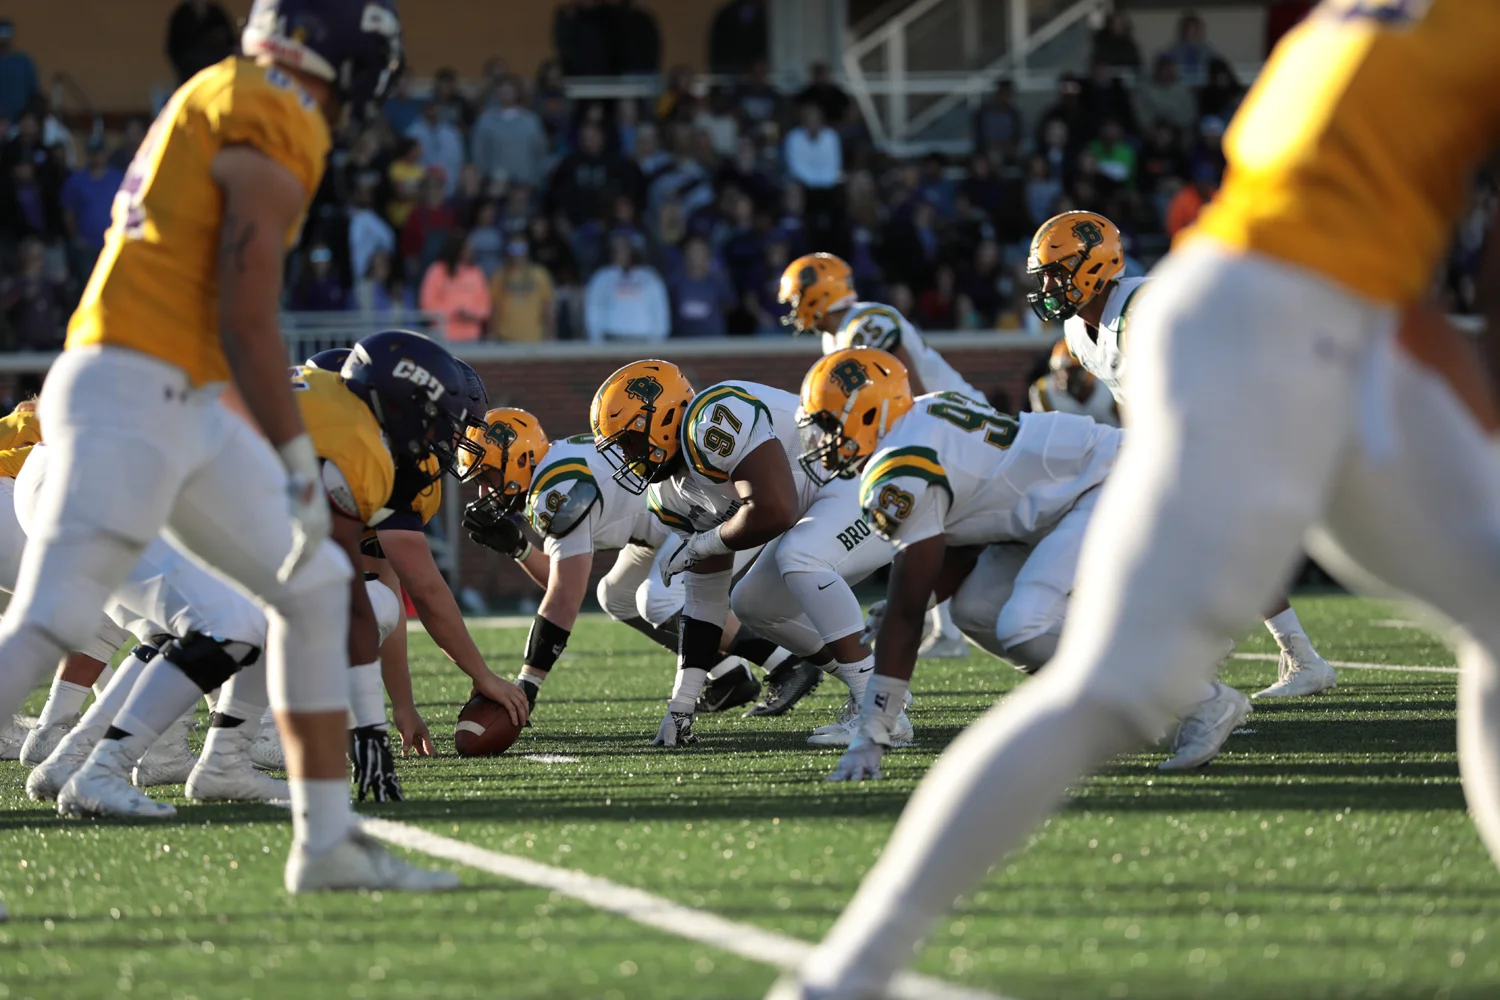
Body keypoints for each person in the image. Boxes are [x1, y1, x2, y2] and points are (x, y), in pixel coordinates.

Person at [771, 5, 1500, 992]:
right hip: (1280, 319)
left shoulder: (1347, 30)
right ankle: (846, 971)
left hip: (1304, 316)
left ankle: (845, 970)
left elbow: (1376, 261)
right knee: (1100, 681)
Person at [0, 0, 460, 899]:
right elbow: (246, 312)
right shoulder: (272, 106)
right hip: (135, 383)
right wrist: (294, 464)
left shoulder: (229, 89)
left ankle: (326, 842)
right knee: (55, 614)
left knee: (313, 583)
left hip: (181, 390)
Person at [1028, 209, 1335, 695]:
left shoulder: (1143, 308)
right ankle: (1295, 657)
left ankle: (1204, 646)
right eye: (1044, 275)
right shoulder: (1077, 332)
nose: (1048, 286)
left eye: (1056, 272)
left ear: (1093, 265)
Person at [590, 360, 903, 747]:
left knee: (798, 557)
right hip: (824, 506)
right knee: (752, 602)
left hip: (867, 483)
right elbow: (705, 603)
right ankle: (876, 687)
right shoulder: (670, 491)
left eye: (628, 439)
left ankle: (880, 710)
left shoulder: (711, 419)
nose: (626, 455)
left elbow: (776, 509)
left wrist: (703, 543)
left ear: (662, 416)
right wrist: (681, 705)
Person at [461, 410, 810, 716]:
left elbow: (564, 599)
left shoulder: (559, 489)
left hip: (699, 512)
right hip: (662, 524)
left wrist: (528, 683)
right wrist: (520, 548)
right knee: (617, 595)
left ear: (519, 459)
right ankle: (728, 675)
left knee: (658, 598)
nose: (482, 491)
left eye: (485, 476)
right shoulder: (553, 470)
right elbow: (563, 585)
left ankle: (785, 663)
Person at [780, 252, 977, 658]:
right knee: (934, 520)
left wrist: (918, 436)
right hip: (936, 425)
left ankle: (954, 628)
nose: (794, 309)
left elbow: (906, 389)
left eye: (798, 298)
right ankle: (947, 630)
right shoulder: (835, 336)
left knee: (945, 520)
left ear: (818, 293)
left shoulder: (867, 323)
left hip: (951, 423)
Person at [783, 102, 844, 259]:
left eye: (815, 117)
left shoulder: (831, 137)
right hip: (805, 187)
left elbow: (834, 166)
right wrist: (815, 183)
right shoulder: (793, 138)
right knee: (795, 192)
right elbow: (796, 167)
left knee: (840, 196)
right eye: (808, 118)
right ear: (803, 120)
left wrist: (822, 183)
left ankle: (838, 247)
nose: (812, 121)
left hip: (829, 187)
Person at [583, 234, 669, 343]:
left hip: (644, 340)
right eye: (618, 250)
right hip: (611, 339)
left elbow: (659, 310)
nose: (622, 254)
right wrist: (596, 339)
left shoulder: (650, 277)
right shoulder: (602, 277)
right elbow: (593, 309)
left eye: (625, 249)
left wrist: (658, 341)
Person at [471, 76, 549, 189]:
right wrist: (484, 178)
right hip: (495, 184)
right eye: (502, 88)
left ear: (517, 92)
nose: (506, 92)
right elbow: (478, 153)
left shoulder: (531, 121)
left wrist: (536, 178)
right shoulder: (485, 121)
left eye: (510, 88)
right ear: (496, 92)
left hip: (525, 184)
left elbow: (540, 151)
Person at [0, 236, 69, 351]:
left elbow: (67, 304)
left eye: (40, 256)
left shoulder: (49, 283)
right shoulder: (16, 283)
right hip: (25, 344)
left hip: (48, 343)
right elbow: (5, 306)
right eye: (34, 256)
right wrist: (22, 295)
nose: (38, 260)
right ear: (25, 257)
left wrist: (63, 285)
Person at [419, 233, 491, 342]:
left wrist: (471, 314)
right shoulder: (437, 271)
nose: (469, 251)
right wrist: (454, 313)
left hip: (471, 338)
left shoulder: (476, 272)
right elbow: (427, 305)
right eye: (466, 248)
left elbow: (485, 307)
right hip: (442, 337)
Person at [487, 237, 556, 341]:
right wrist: (492, 335)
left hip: (535, 340)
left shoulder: (540, 274)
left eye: (521, 249)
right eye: (514, 250)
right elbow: (494, 309)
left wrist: (551, 336)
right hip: (505, 340)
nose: (518, 255)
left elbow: (548, 308)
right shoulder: (499, 276)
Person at [669, 237, 736, 338]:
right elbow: (670, 306)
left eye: (699, 252)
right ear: (686, 255)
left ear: (707, 256)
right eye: (692, 252)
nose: (695, 256)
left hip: (712, 339)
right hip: (682, 340)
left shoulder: (718, 280)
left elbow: (728, 305)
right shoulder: (675, 281)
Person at [405, 99, 465, 199]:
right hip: (420, 195)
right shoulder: (411, 134)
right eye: (430, 107)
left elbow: (459, 162)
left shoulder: (452, 134)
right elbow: (407, 165)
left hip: (449, 192)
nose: (433, 111)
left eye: (436, 107)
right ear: (424, 109)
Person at [165, 0, 236, 83]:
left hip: (219, 78)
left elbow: (231, 43)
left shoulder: (217, 13)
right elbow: (173, 49)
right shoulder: (181, 15)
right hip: (191, 79)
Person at [0, 19, 38, 121]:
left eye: (6, 34)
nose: (3, 39)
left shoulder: (23, 62)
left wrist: (28, 117)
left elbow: (34, 92)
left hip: (20, 123)